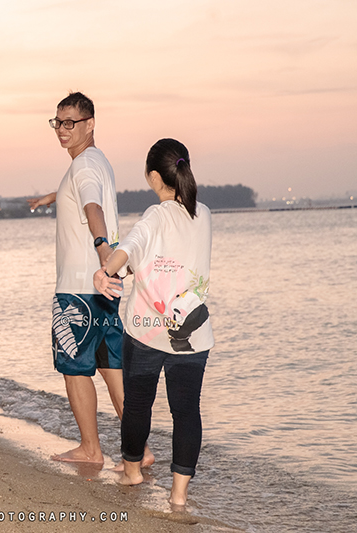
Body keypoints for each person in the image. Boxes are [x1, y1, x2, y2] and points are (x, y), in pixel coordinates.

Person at [28, 92, 153, 466]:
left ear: (90, 123)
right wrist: (54, 197)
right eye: (58, 122)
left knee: (74, 368)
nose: (62, 129)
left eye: (70, 123)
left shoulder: (82, 166)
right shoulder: (96, 162)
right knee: (111, 366)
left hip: (79, 288)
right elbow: (83, 192)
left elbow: (91, 206)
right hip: (104, 287)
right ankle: (140, 450)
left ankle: (90, 449)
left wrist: (102, 247)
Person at [93, 138, 214, 506]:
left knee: (137, 405)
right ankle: (179, 495)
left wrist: (106, 272)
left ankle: (132, 472)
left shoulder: (155, 215)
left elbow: (128, 248)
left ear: (153, 177)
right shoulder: (204, 214)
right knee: (186, 411)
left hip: (146, 332)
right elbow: (161, 256)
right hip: (193, 333)